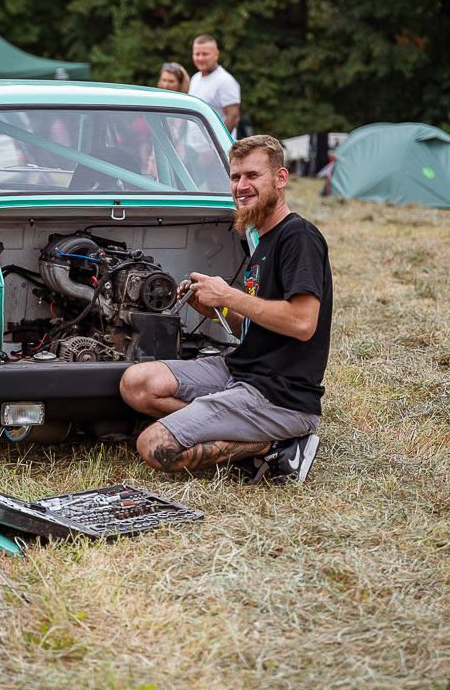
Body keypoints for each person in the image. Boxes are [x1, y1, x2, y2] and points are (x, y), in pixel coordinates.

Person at [120, 134, 332, 485]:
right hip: (241, 370)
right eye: (235, 177)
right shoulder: (262, 241)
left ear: (281, 178)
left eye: (253, 175)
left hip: (280, 395)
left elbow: (302, 323)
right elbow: (251, 327)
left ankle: (277, 446)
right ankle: (223, 422)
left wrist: (229, 295)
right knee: (136, 383)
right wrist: (212, 306)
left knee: (154, 445)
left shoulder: (299, 237)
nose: (241, 186)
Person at [188, 35, 241, 139]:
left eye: (205, 54)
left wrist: (214, 145)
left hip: (214, 147)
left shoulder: (225, 81)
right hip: (192, 146)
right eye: (197, 54)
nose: (200, 58)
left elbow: (233, 117)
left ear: (216, 54)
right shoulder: (195, 79)